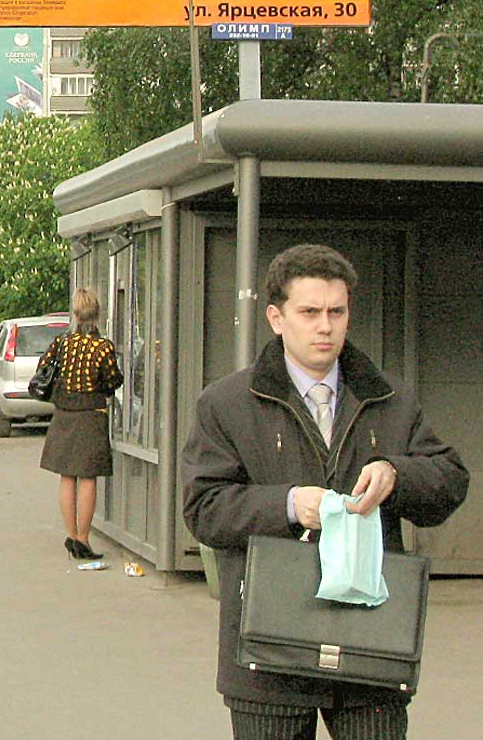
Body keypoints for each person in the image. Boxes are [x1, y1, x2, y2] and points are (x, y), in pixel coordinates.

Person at [182, 244, 469, 740]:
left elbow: (450, 480)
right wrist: (290, 505)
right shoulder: (225, 403)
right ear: (276, 317)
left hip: (370, 650)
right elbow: (203, 509)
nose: (326, 326)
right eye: (309, 312)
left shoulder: (391, 401)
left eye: (337, 311)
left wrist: (396, 475)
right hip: (267, 651)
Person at [37, 286, 123, 560]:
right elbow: (114, 380)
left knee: (67, 475)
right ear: (97, 314)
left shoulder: (63, 342)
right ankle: (84, 539)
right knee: (87, 476)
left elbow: (44, 367)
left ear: (75, 314)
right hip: (92, 413)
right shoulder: (103, 347)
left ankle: (71, 533)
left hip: (64, 413)